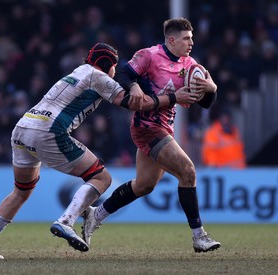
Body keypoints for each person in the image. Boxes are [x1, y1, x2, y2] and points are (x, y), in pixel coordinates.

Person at [0, 42, 190, 259]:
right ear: (108, 64)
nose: (115, 72)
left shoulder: (78, 71)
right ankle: (66, 221)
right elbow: (136, 104)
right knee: (101, 177)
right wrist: (173, 98)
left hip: (23, 127)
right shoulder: (99, 77)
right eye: (114, 66)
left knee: (21, 191)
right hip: (49, 131)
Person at [81, 18, 221, 253]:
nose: (192, 42)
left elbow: (206, 103)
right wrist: (134, 86)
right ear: (171, 40)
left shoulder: (190, 65)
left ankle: (96, 215)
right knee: (188, 172)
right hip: (146, 127)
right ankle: (199, 236)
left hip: (165, 128)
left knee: (144, 185)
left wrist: (211, 88)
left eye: (192, 37)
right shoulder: (149, 55)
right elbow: (123, 76)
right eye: (187, 38)